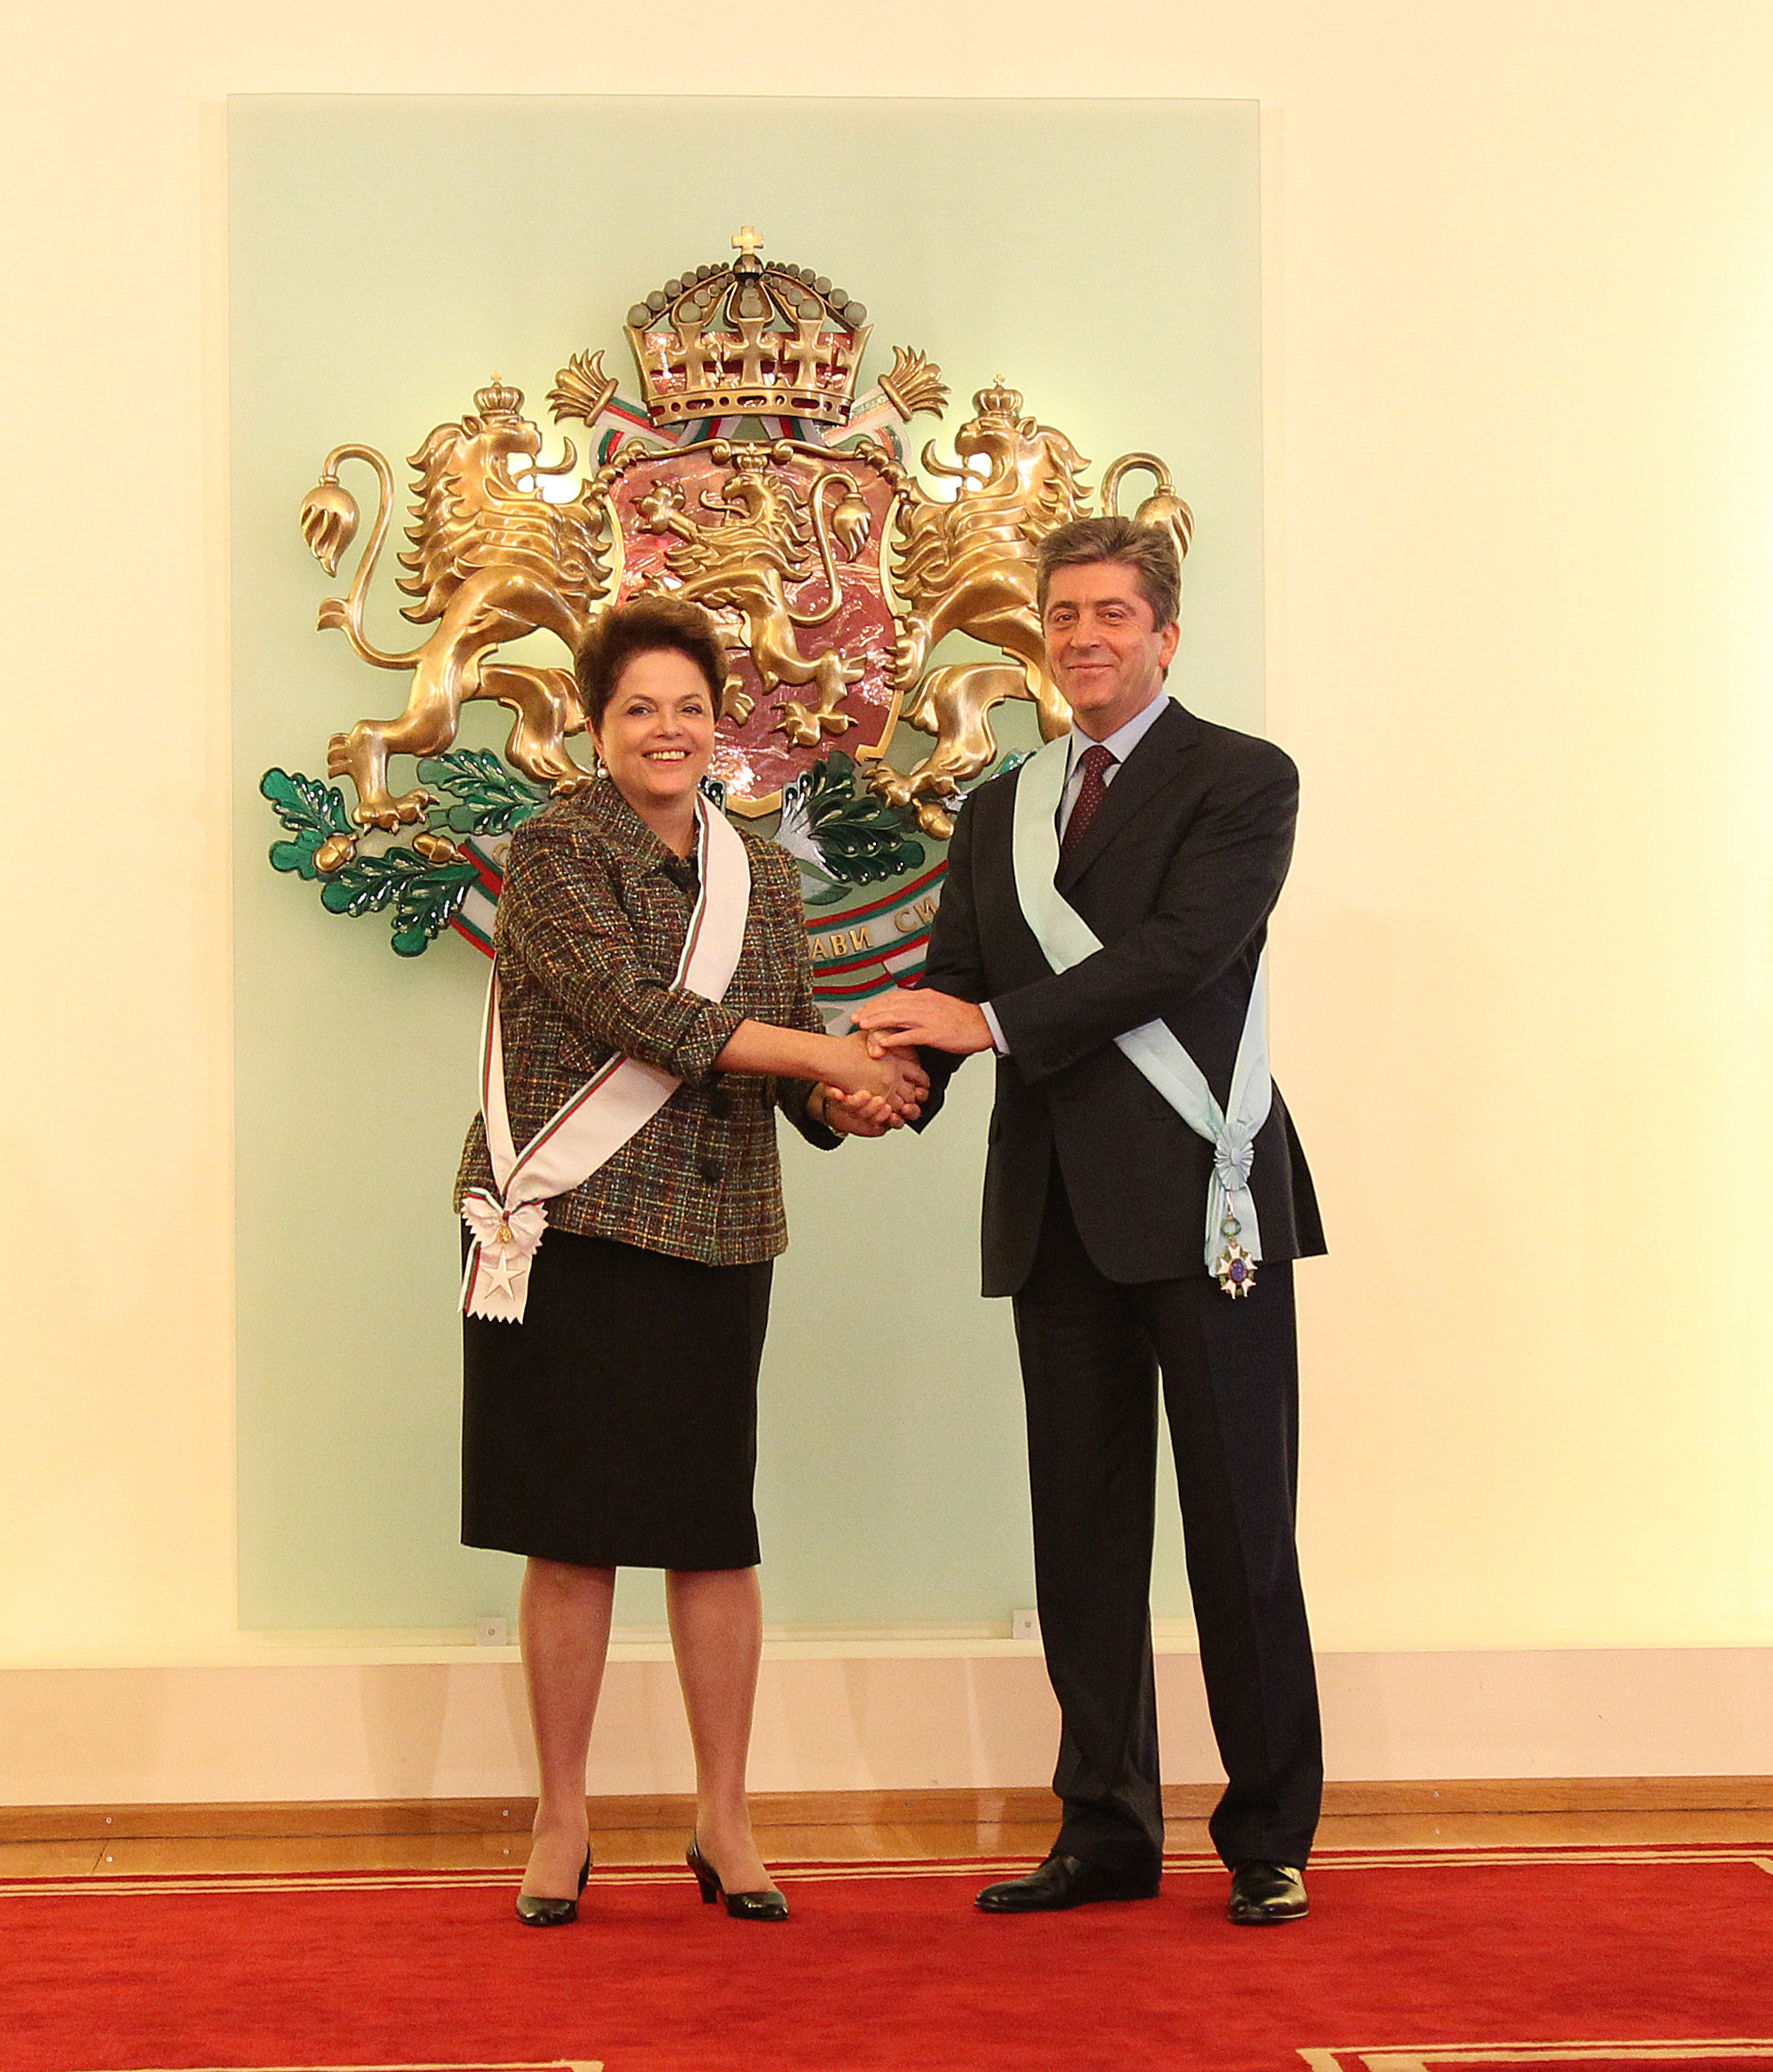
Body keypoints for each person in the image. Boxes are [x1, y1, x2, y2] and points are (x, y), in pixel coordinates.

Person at [855, 514, 1325, 1927]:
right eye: (1062, 616)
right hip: (1055, 1211)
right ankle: (1105, 1827)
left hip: (1201, 1199)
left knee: (1238, 1530)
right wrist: (871, 1086)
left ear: (1165, 634)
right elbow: (953, 984)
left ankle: (1267, 1834)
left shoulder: (1242, 778)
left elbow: (1178, 954)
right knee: (1082, 1536)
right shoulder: (999, 807)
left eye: (1112, 614)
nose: (1083, 638)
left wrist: (985, 1024)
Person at [458, 595, 923, 1929]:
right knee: (571, 1538)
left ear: (721, 725)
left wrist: (839, 1095)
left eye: (689, 707)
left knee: (713, 1536)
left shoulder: (758, 867)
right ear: (593, 725)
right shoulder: (556, 848)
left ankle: (725, 1816)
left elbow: (777, 1036)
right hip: (571, 1223)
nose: (667, 730)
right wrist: (827, 1052)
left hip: (717, 1232)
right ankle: (562, 1816)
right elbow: (641, 1015)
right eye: (639, 708)